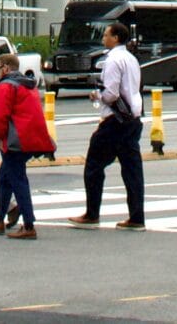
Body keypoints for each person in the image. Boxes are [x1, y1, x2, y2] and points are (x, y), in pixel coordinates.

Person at [68, 22, 146, 229]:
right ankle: (137, 216)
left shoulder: (112, 60)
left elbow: (111, 93)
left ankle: (92, 213)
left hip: (115, 120)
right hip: (133, 117)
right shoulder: (131, 58)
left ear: (116, 38)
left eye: (106, 35)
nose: (103, 38)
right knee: (132, 170)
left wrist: (97, 95)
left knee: (93, 165)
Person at [0, 50, 55, 239]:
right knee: (5, 177)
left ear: (6, 68)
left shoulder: (6, 86)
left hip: (15, 139)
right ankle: (0, 218)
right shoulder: (27, 85)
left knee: (17, 179)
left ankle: (28, 224)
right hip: (31, 137)